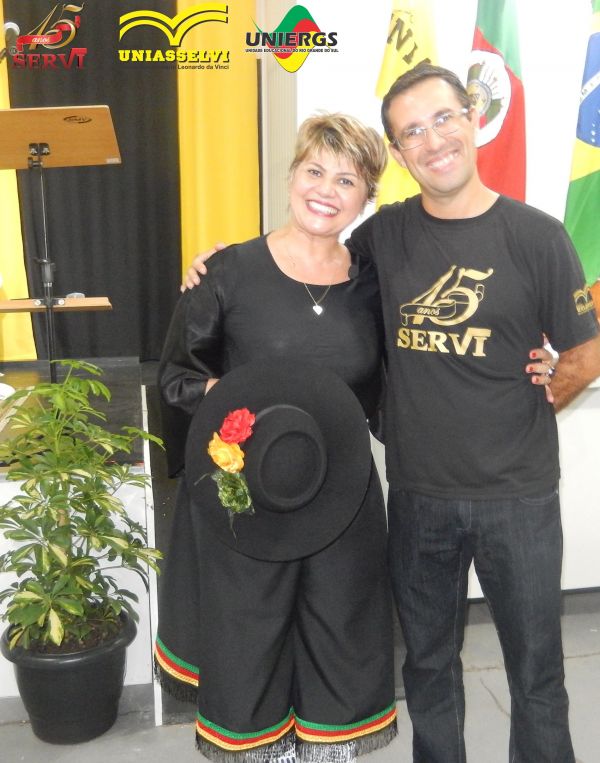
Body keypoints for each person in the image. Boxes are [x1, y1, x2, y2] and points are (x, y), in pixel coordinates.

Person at [183, 65, 600, 762]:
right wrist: (220, 263)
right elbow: (309, 261)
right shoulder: (383, 238)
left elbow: (586, 351)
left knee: (537, 673)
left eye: (443, 119)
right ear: (400, 155)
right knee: (427, 668)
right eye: (412, 132)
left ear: (472, 119)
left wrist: (542, 390)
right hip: (416, 498)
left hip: (519, 497)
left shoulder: (539, 236)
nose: (432, 140)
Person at [155, 113, 398, 763]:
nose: (326, 189)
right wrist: (232, 398)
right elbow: (177, 378)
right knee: (250, 643)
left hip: (342, 501)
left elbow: (396, 390)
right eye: (315, 170)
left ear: (366, 197)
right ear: (292, 175)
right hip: (246, 501)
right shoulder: (226, 272)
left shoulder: (376, 286)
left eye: (346, 179)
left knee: (337, 640)